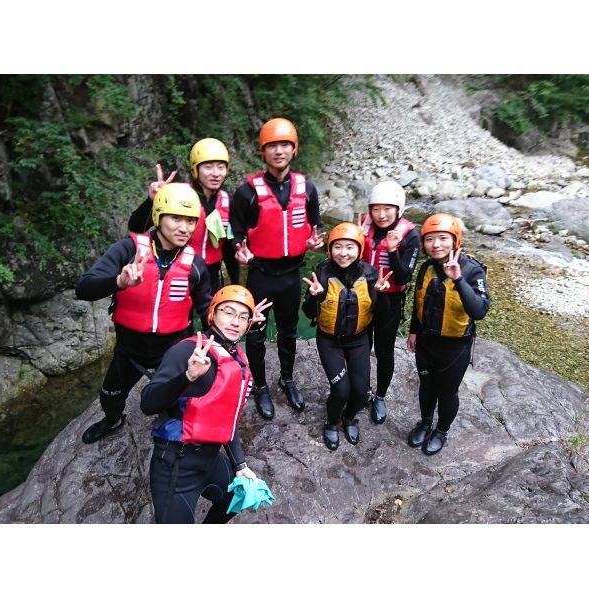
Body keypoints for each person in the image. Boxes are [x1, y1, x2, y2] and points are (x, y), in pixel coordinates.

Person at [76, 183, 212, 444]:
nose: (184, 228)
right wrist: (118, 283)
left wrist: (234, 320)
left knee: (175, 400)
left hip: (172, 349)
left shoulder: (195, 264)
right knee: (110, 396)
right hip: (129, 349)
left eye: (191, 221)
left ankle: (174, 428)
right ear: (158, 217)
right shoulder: (128, 250)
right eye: (176, 218)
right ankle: (113, 420)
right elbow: (84, 287)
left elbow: (205, 308)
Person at [140, 285, 264, 523]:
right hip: (176, 466)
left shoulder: (236, 357)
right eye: (228, 312)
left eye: (242, 317)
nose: (235, 321)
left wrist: (240, 464)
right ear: (212, 314)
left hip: (210, 459)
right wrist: (187, 376)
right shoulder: (187, 350)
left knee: (235, 499)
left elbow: (228, 417)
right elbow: (147, 403)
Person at [230, 117, 325, 420]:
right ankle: (259, 385)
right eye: (272, 146)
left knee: (288, 332)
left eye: (285, 145)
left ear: (294, 149)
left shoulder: (306, 188)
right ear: (263, 151)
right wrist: (238, 250)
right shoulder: (247, 192)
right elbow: (236, 230)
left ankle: (287, 379)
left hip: (291, 276)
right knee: (255, 334)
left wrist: (315, 238)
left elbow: (316, 222)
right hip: (260, 275)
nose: (279, 151)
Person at [302, 222, 392, 450]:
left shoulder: (371, 275)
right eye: (337, 247)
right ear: (330, 249)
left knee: (360, 392)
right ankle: (332, 422)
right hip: (329, 341)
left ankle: (350, 418)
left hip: (358, 339)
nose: (343, 253)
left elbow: (382, 316)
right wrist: (314, 297)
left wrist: (382, 295)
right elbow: (308, 313)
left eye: (350, 247)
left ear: (359, 250)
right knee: (341, 390)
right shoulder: (322, 273)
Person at [406, 213, 490, 455]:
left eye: (443, 238)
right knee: (426, 386)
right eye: (430, 239)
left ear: (455, 241)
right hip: (427, 342)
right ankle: (424, 423)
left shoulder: (472, 271)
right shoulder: (426, 268)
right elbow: (419, 301)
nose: (436, 245)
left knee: (446, 392)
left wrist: (459, 279)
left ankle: (441, 430)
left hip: (455, 347)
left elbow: (479, 310)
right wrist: (413, 331)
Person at [128, 138, 240, 293]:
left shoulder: (228, 201)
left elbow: (228, 247)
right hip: (179, 271)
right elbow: (136, 226)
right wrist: (152, 201)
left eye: (221, 167)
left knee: (212, 316)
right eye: (208, 167)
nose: (216, 173)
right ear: (196, 169)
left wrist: (235, 283)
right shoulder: (179, 194)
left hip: (212, 275)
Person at [359, 180, 420, 424]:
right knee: (360, 347)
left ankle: (380, 396)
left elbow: (404, 276)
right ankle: (362, 390)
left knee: (384, 351)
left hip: (390, 300)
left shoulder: (410, 236)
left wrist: (393, 251)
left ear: (398, 209)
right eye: (376, 209)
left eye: (387, 209)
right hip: (362, 297)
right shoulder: (363, 227)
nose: (381, 215)